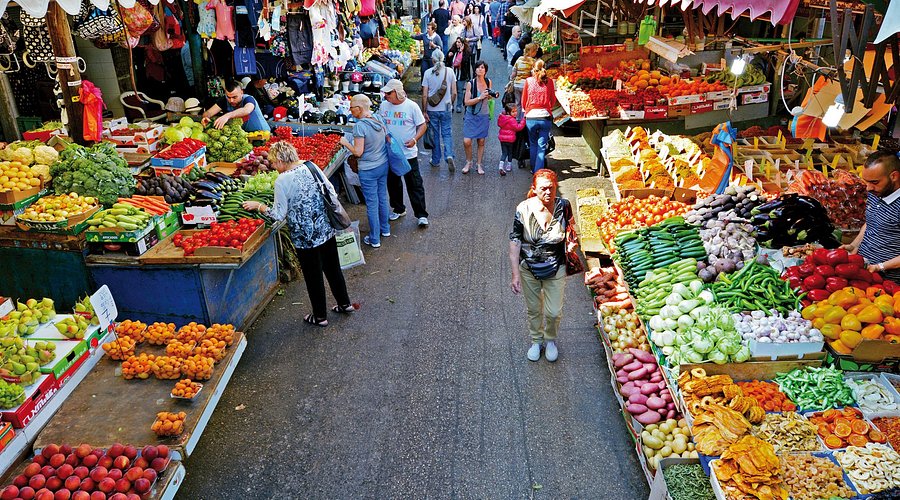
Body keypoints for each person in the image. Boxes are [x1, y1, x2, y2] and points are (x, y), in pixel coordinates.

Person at [241, 141, 357, 327]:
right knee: (333, 268)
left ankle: (320, 316)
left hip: (304, 237)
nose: (273, 167)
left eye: (273, 163)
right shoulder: (312, 166)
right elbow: (331, 191)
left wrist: (259, 206)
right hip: (325, 228)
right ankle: (345, 304)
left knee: (313, 276)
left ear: (280, 160)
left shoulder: (282, 180)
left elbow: (278, 215)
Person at [509, 169, 575, 362]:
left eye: (551, 188)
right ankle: (537, 341)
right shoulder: (523, 208)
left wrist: (571, 244)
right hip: (529, 268)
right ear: (534, 189)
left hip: (556, 266)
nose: (548, 192)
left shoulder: (564, 206)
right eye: (543, 189)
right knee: (534, 309)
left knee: (553, 311)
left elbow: (570, 229)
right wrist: (515, 275)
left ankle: (551, 339)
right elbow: (515, 240)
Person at [339, 94, 391, 248]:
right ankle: (385, 229)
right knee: (382, 197)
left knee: (372, 203)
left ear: (359, 108)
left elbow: (358, 152)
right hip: (383, 165)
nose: (350, 110)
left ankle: (374, 238)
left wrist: (345, 142)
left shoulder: (360, 126)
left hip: (368, 169)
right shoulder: (378, 119)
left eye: (352, 108)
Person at [377, 79, 430, 227]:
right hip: (390, 153)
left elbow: (422, 126)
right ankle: (398, 208)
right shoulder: (383, 106)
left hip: (408, 153)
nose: (386, 95)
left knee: (414, 184)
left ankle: (421, 214)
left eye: (389, 93)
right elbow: (381, 124)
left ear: (397, 92)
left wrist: (415, 139)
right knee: (393, 183)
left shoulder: (411, 106)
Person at [843, 151, 900, 281]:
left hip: (890, 282)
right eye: (866, 182)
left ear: (894, 176)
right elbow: (870, 222)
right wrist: (853, 245)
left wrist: (880, 267)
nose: (868, 188)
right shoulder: (877, 193)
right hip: (864, 272)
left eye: (874, 182)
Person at [422, 49, 457, 172]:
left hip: (432, 109)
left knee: (434, 134)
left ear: (433, 60)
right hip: (446, 107)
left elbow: (425, 95)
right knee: (447, 133)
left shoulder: (427, 73)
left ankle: (436, 160)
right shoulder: (450, 72)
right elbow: (454, 93)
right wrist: (450, 105)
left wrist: (424, 110)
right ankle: (449, 155)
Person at [461, 60, 495, 175]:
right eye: (478, 67)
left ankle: (479, 164)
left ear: (485, 70)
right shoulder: (471, 83)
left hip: (483, 115)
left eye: (482, 68)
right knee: (467, 141)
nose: (480, 69)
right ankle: (469, 161)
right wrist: (480, 98)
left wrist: (490, 96)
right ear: (475, 70)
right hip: (471, 115)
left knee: (481, 141)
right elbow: (466, 102)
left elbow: (489, 98)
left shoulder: (488, 81)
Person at [522, 60, 555, 173]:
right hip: (545, 117)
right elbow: (553, 100)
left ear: (533, 69)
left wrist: (526, 111)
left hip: (531, 117)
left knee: (533, 144)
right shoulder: (549, 82)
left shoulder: (528, 81)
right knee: (542, 146)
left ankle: (532, 168)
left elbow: (524, 100)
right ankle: (539, 170)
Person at [201, 80, 271, 133]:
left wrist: (227, 116)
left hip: (263, 135)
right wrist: (206, 117)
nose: (231, 100)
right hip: (246, 138)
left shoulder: (248, 99)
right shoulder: (224, 100)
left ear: (241, 92)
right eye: (228, 97)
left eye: (234, 97)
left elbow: (247, 110)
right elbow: (208, 113)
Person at [446, 37, 473, 113]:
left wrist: (461, 53)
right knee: (451, 90)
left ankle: (458, 106)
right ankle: (451, 105)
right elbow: (447, 60)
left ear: (463, 44)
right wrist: (449, 55)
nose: (457, 44)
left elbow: (466, 62)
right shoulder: (453, 50)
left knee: (460, 90)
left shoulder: (466, 52)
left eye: (459, 42)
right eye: (457, 42)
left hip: (461, 74)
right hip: (452, 73)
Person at [497, 101, 525, 174]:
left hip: (502, 139)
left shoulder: (502, 118)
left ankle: (501, 166)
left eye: (516, 111)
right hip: (510, 139)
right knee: (510, 152)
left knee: (504, 153)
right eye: (513, 112)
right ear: (509, 112)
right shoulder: (512, 120)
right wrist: (523, 121)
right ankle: (509, 165)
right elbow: (518, 128)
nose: (515, 113)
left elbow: (499, 124)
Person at [510, 41, 537, 109]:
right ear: (532, 52)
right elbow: (534, 75)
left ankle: (518, 118)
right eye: (535, 51)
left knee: (517, 103)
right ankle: (523, 119)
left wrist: (511, 80)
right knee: (525, 103)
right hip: (526, 85)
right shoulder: (533, 61)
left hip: (517, 84)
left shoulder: (519, 59)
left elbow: (513, 73)